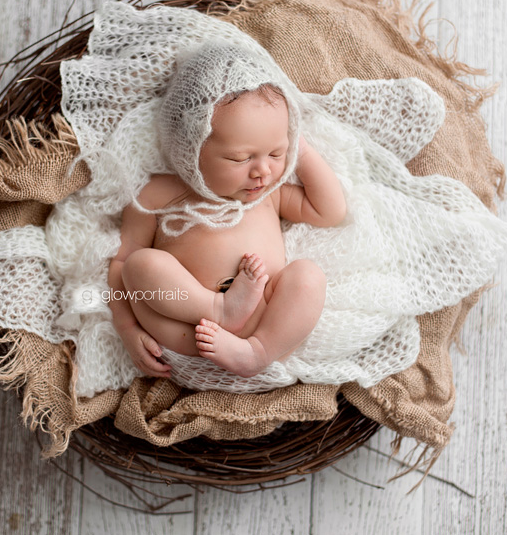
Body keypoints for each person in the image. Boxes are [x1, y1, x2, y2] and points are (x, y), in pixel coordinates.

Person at [106, 43, 346, 379]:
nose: (262, 171)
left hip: (264, 319)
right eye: (240, 158)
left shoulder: (269, 194)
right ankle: (218, 307)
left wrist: (300, 150)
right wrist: (127, 328)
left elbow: (330, 211)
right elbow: (120, 264)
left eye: (276, 154)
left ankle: (256, 353)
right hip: (186, 326)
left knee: (309, 277)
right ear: (190, 148)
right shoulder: (157, 194)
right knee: (138, 265)